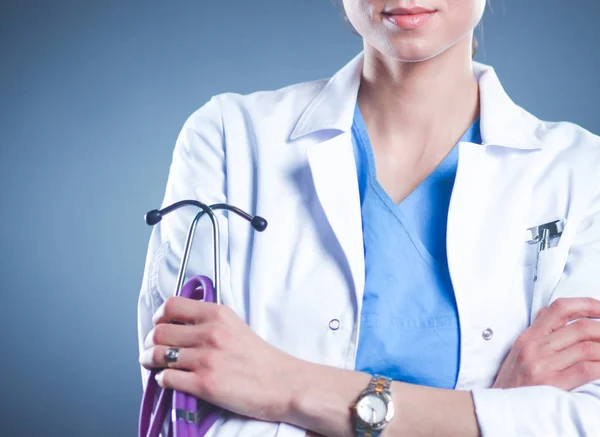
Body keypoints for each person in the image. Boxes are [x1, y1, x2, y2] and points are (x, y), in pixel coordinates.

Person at [137, 1, 600, 436]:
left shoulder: (582, 173)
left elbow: (585, 419)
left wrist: (283, 383)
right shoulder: (226, 138)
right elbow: (189, 411)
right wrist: (491, 413)